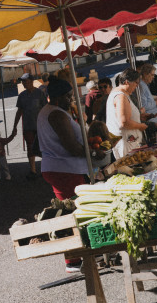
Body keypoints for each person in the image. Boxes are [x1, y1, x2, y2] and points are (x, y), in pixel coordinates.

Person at [36, 78, 105, 273]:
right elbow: (71, 146)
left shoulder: (51, 111)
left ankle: (83, 253)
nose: (71, 100)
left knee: (74, 211)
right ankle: (74, 259)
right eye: (68, 97)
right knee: (72, 213)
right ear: (57, 97)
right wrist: (92, 153)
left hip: (63, 168)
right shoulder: (56, 114)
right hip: (64, 169)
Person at [106, 69, 150, 160]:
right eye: (136, 83)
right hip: (126, 143)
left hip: (126, 141)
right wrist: (140, 126)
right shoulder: (120, 96)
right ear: (127, 82)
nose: (137, 86)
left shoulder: (120, 94)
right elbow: (124, 122)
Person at [11, 73, 47, 179]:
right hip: (28, 126)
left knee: (43, 148)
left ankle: (45, 169)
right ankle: (33, 170)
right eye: (22, 81)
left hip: (40, 126)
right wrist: (15, 126)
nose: (23, 83)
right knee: (30, 148)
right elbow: (19, 111)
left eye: (25, 81)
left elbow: (46, 109)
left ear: (31, 81)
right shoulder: (22, 95)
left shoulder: (40, 93)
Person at [138, 63, 157, 140]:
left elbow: (148, 99)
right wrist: (156, 102)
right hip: (150, 124)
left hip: (153, 122)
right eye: (152, 75)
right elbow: (144, 106)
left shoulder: (144, 85)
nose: (153, 77)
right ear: (145, 74)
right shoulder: (141, 86)